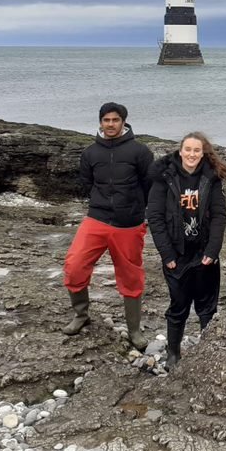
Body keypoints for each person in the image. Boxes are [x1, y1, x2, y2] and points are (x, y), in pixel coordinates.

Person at [61, 102, 154, 349]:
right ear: (100, 122)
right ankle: (81, 315)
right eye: (106, 120)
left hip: (129, 224)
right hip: (97, 218)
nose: (110, 124)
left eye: (115, 120)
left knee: (131, 277)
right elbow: (85, 183)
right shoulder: (90, 153)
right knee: (74, 265)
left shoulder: (140, 152)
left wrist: (142, 213)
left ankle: (134, 330)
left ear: (124, 121)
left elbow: (151, 185)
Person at [146, 132, 226, 369]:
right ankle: (173, 353)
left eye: (197, 150)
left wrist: (212, 252)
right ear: (180, 151)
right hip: (177, 255)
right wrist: (167, 255)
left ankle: (207, 351)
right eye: (188, 149)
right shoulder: (164, 178)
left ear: (203, 153)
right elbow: (155, 217)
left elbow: (219, 216)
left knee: (207, 307)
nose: (192, 154)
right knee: (178, 305)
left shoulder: (211, 178)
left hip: (203, 253)